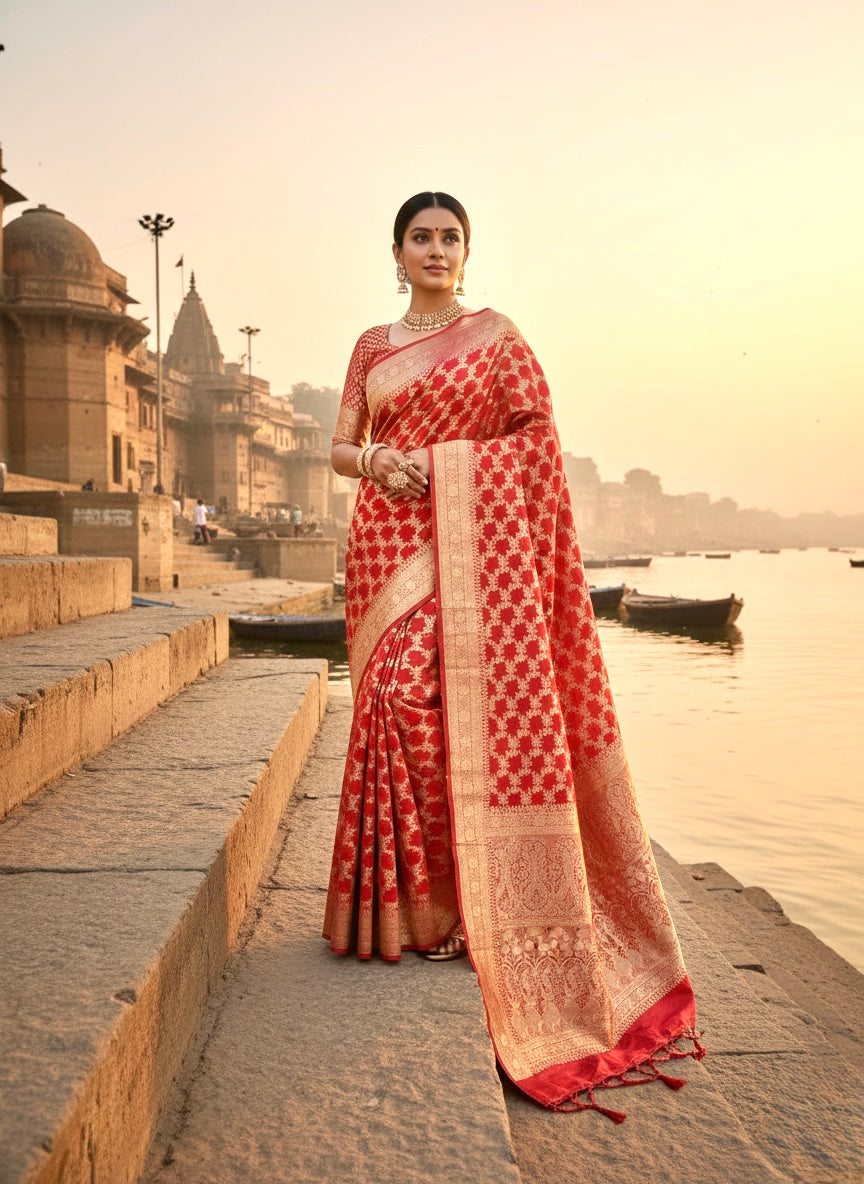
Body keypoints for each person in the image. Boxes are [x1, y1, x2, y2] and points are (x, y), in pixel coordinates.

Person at [322, 192, 703, 1119]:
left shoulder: (496, 337)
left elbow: (536, 440)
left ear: (466, 250)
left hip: (471, 544)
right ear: (399, 251)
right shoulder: (373, 344)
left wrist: (452, 468)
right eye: (423, 237)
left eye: (452, 237)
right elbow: (342, 444)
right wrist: (379, 465)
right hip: (386, 542)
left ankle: (461, 906)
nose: (438, 249)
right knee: (387, 699)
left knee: (453, 708)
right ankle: (406, 909)